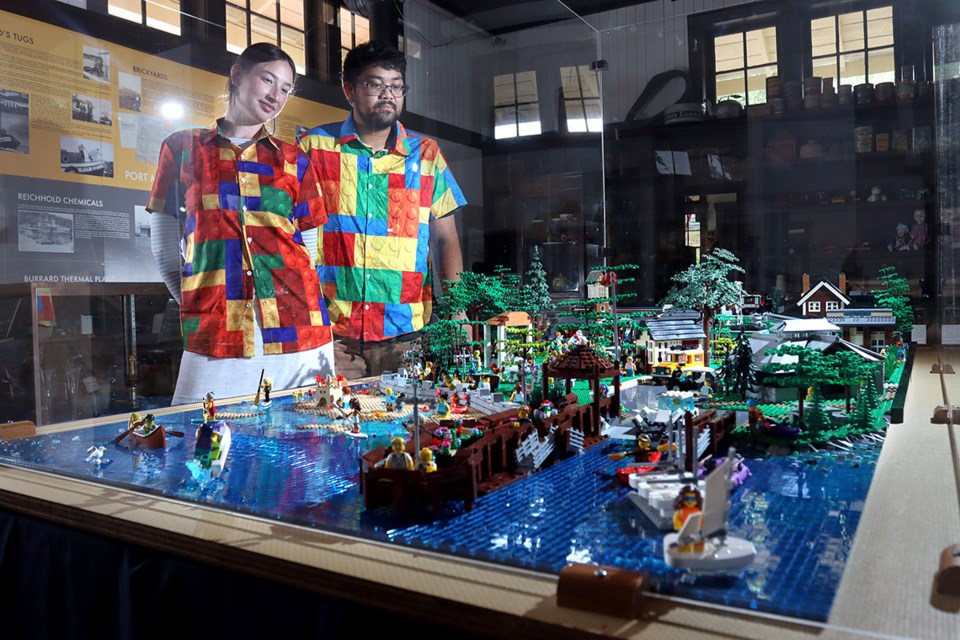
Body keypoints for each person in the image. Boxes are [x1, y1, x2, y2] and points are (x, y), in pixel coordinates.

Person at [147, 43, 334, 406]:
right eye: (268, 80)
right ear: (236, 74)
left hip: (297, 320)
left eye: (285, 89)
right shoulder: (183, 148)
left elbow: (310, 250)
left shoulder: (295, 160)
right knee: (202, 438)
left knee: (303, 440)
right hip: (216, 324)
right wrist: (200, 300)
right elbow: (163, 246)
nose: (275, 95)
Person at [299, 41, 466, 379]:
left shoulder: (427, 154)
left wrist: (456, 313)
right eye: (375, 84)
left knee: (408, 427)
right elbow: (291, 235)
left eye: (396, 86)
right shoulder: (314, 148)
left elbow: (446, 239)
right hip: (332, 334)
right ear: (349, 90)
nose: (388, 94)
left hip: (405, 334)